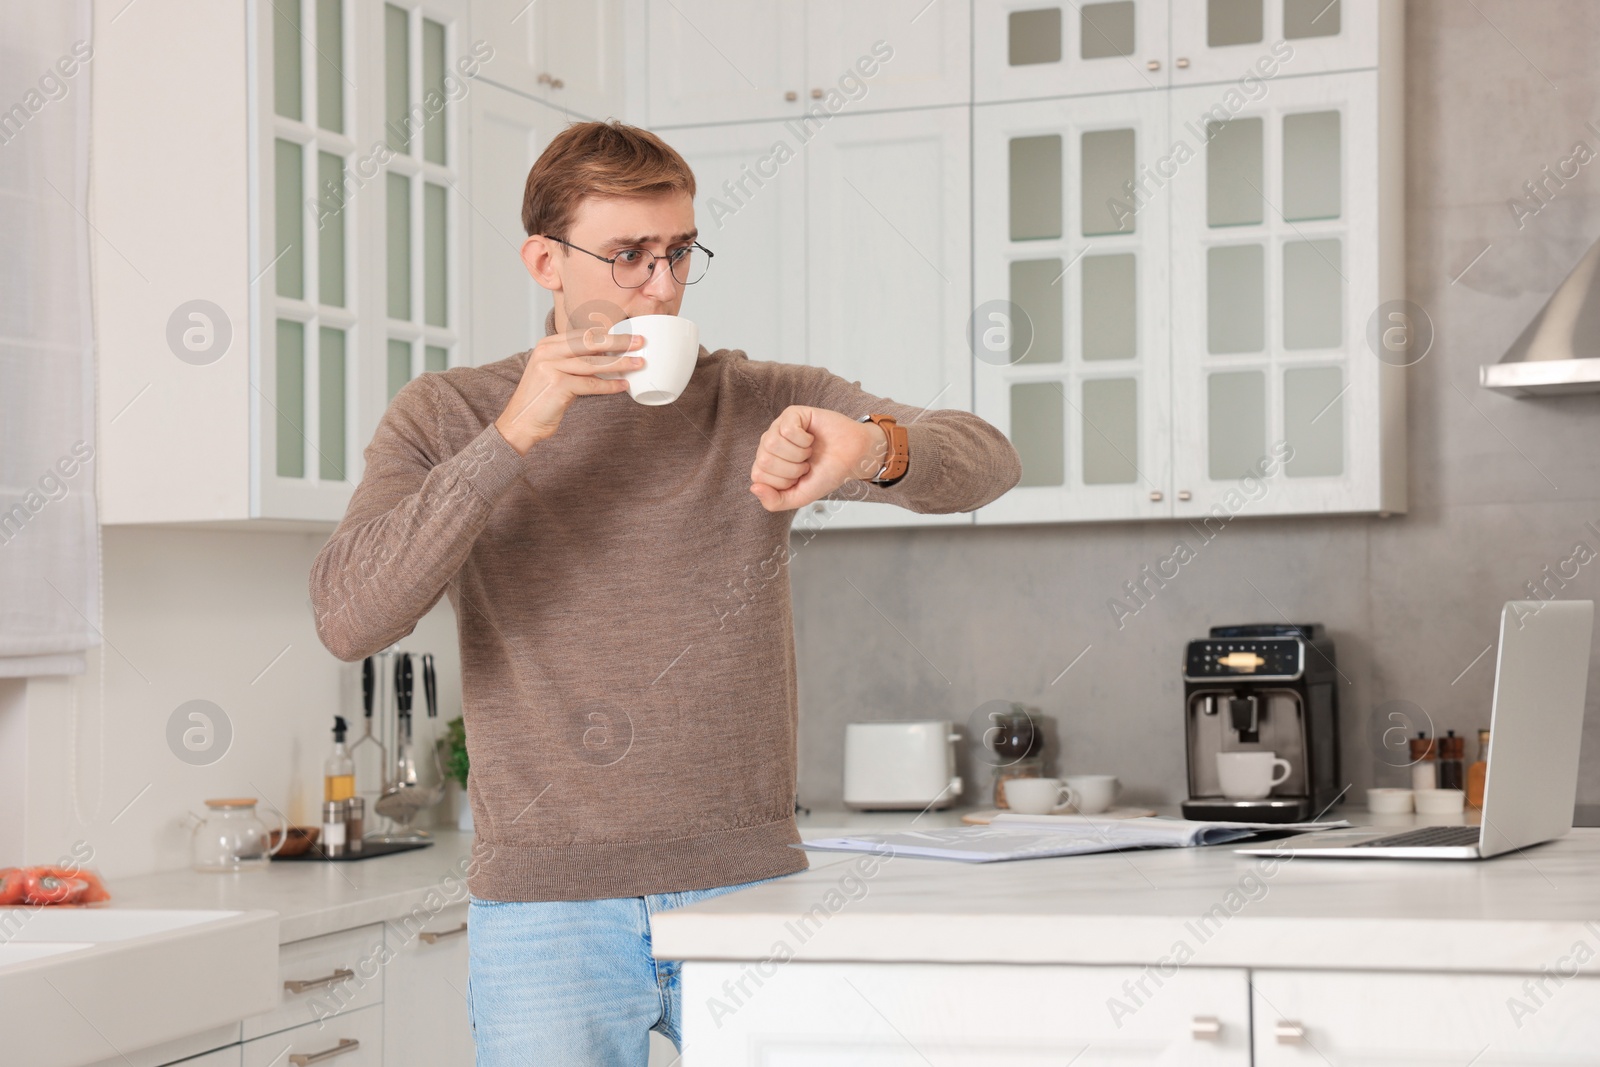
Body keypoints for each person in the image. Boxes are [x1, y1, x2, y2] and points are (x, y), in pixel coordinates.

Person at [308, 119, 1021, 1065]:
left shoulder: (761, 399)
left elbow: (988, 460)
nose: (663, 284)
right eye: (629, 255)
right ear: (544, 262)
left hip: (750, 887)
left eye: (680, 252)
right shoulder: (451, 414)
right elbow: (349, 614)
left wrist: (876, 447)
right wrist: (514, 435)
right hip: (544, 909)